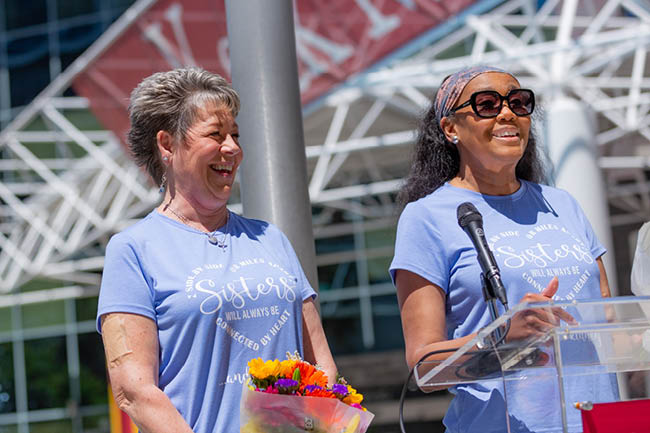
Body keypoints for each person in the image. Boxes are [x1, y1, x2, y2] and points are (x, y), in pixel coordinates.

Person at [96, 67, 337, 433]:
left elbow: (320, 363)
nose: (233, 149)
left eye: (236, 135)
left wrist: (315, 424)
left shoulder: (271, 239)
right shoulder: (132, 250)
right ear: (167, 145)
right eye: (216, 134)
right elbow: (134, 390)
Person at [390, 65, 618, 432]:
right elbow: (424, 368)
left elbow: (607, 317)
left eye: (519, 102)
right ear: (451, 128)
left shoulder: (563, 204)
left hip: (599, 422)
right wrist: (500, 337)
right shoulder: (426, 218)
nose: (507, 112)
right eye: (486, 104)